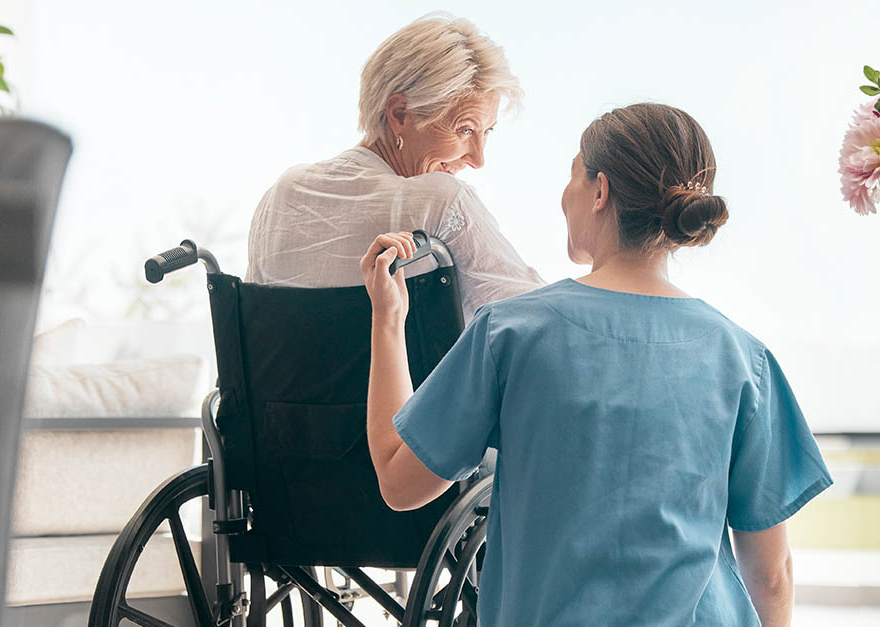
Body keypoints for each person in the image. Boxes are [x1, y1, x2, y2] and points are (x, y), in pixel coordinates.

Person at [360, 103, 832, 626]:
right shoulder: (743, 358)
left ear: (600, 191)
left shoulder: (511, 333)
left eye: (572, 176)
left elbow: (399, 484)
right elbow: (770, 575)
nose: (564, 196)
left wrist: (387, 319)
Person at [246, 13, 542, 320]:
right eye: (465, 130)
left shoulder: (279, 196)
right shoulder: (440, 202)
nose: (478, 160)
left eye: (487, 131)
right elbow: (541, 323)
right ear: (400, 114)